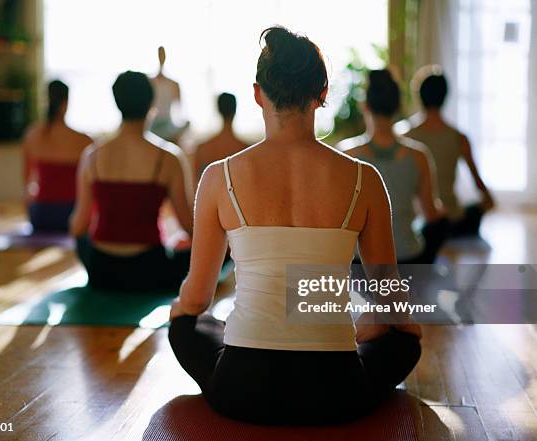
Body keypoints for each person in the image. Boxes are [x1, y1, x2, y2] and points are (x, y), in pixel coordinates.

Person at [168, 27, 422, 425]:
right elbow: (387, 294)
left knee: (187, 325)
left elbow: (198, 297)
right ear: (322, 93)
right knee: (405, 343)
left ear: (257, 94)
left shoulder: (218, 177)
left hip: (241, 389)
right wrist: (392, 325)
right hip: (337, 391)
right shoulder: (365, 179)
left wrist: (180, 310)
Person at [69, 70, 193, 292]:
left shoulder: (92, 156)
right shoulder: (169, 157)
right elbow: (189, 226)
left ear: (117, 103)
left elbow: (78, 226)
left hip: (101, 269)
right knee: (223, 249)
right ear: (151, 103)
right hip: (150, 269)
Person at [340, 70, 448, 264]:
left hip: (361, 261)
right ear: (398, 106)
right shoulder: (419, 155)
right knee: (442, 222)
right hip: (408, 257)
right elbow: (431, 214)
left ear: (365, 106)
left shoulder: (347, 154)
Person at [403, 65, 494, 237]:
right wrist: (490, 201)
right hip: (452, 220)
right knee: (474, 211)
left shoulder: (404, 135)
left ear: (419, 95)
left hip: (419, 220)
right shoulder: (459, 138)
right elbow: (478, 184)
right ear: (445, 96)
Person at [22, 80, 93, 233]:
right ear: (66, 103)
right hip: (72, 213)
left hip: (41, 215)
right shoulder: (85, 141)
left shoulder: (32, 135)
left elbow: (27, 182)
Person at [194, 93, 249, 181]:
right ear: (235, 111)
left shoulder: (202, 149)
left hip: (209, 194)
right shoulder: (245, 149)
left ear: (218, 111)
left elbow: (195, 187)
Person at [150, 46, 189, 142]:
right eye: (160, 54)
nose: (161, 57)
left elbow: (180, 112)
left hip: (167, 125)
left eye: (163, 54)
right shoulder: (150, 82)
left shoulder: (174, 84)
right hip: (152, 126)